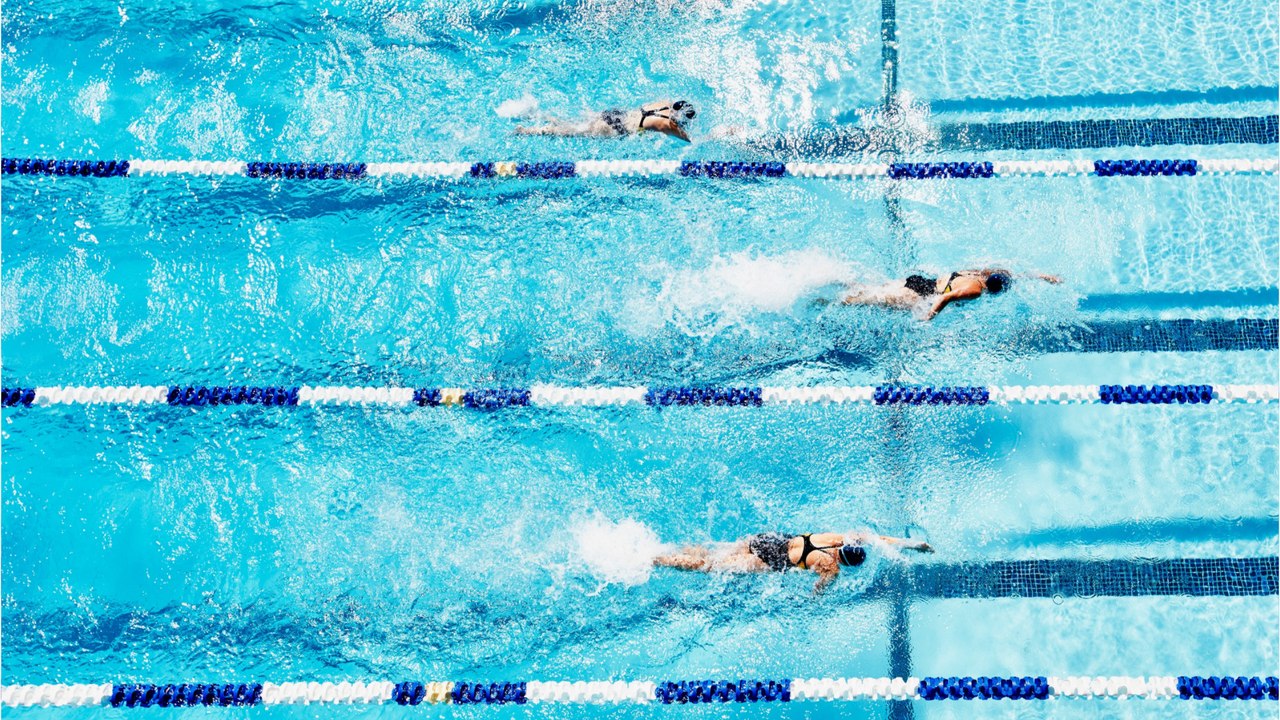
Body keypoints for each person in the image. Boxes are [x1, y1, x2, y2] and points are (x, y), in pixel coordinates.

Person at [654, 531, 932, 593]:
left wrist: (913, 545)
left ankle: (666, 549)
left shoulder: (836, 537)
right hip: (767, 560)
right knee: (710, 568)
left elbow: (878, 538)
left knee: (711, 554)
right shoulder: (830, 567)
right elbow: (818, 591)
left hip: (768, 539)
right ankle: (659, 559)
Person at [839, 268, 1062, 320]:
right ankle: (827, 300)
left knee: (872, 290)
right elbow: (945, 297)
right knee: (863, 301)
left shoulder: (978, 273)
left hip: (917, 280)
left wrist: (1044, 277)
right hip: (917, 296)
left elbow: (1012, 274)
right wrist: (929, 317)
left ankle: (838, 279)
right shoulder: (975, 291)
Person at [514, 100, 696, 142]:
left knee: (574, 123)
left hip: (615, 114)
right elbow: (690, 141)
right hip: (614, 128)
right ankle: (526, 130)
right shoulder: (666, 125)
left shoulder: (665, 102)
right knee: (570, 131)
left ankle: (535, 114)